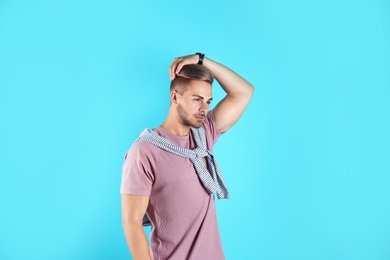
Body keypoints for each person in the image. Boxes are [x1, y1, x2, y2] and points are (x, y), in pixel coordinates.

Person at [120, 53, 254, 260]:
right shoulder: (144, 151)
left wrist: (202, 60)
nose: (204, 108)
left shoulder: (204, 135)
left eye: (208, 101)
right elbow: (131, 221)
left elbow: (244, 91)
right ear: (175, 97)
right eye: (197, 99)